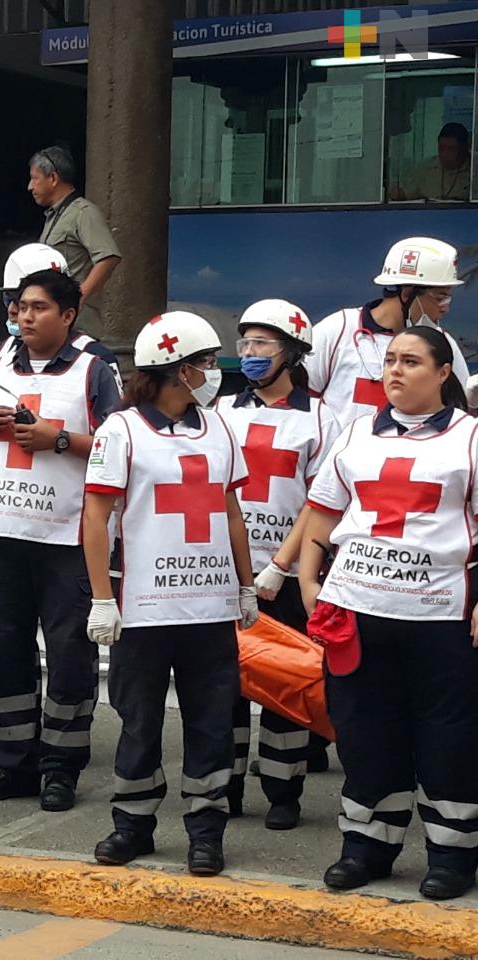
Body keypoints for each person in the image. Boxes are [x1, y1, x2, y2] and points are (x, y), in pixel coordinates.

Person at [300, 324, 478, 900]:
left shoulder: (471, 439)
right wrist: (307, 576)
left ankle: (452, 855)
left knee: (448, 736)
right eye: (390, 362)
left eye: (411, 362)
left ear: (444, 372)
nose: (394, 372)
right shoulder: (356, 433)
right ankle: (367, 847)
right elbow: (324, 509)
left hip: (440, 616)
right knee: (364, 731)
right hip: (359, 610)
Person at [82, 311, 256, 878]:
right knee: (139, 720)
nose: (212, 373)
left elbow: (232, 512)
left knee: (211, 722)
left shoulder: (221, 428)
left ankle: (206, 831)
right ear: (177, 371)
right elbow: (97, 515)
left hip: (210, 608)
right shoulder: (121, 430)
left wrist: (247, 584)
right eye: (204, 364)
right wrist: (102, 597)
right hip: (145, 608)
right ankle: (132, 824)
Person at [0, 268, 120, 812]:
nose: (25, 316)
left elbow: (120, 447)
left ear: (68, 316)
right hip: (4, 534)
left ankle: (60, 767)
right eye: (21, 307)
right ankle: (9, 762)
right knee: (4, 651)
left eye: (39, 308)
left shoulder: (95, 369)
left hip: (67, 539)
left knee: (70, 656)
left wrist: (61, 439)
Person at [215, 299, 336, 830]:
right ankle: (227, 785)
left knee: (286, 687)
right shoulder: (222, 411)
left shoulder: (320, 418)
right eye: (244, 344)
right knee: (224, 686)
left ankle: (283, 792)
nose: (249, 354)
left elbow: (321, 501)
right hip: (225, 574)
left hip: (282, 575)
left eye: (262, 344)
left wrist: (283, 567)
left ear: (291, 352)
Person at [306, 237, 469, 433]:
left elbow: (460, 413)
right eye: (440, 297)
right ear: (408, 293)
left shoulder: (443, 342)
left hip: (408, 461)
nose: (445, 308)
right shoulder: (339, 328)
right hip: (341, 460)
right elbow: (300, 401)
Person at [0, 244, 122, 390]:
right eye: (7, 298)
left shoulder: (97, 360)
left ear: (67, 314)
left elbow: (113, 412)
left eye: (38, 306)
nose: (12, 309)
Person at [29, 147, 122, 342]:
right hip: (56, 325)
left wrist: (79, 297)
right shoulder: (54, 216)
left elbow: (108, 257)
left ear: (53, 178)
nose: (30, 186)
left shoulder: (83, 212)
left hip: (80, 327)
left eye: (35, 178)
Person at [391, 123, 471, 202]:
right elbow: (406, 193)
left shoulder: (474, 169)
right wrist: (398, 194)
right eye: (441, 148)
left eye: (452, 149)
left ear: (465, 148)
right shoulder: (425, 168)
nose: (445, 154)